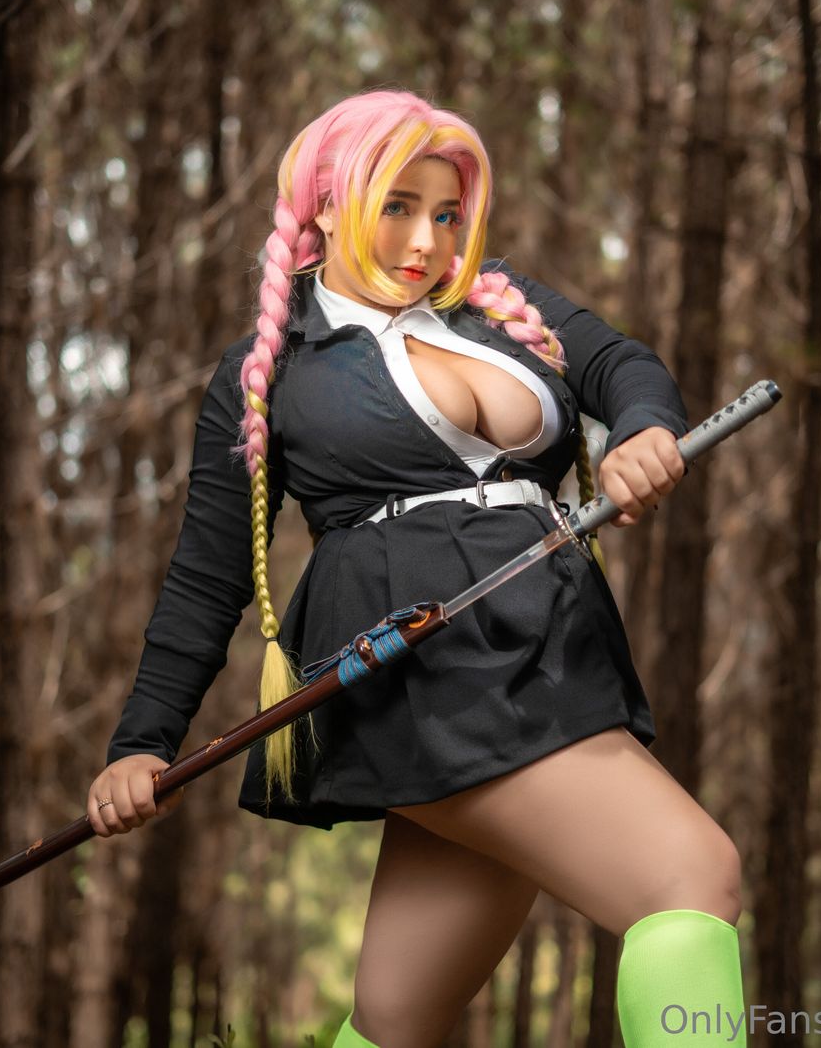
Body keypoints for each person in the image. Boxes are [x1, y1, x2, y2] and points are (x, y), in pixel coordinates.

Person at [86, 90, 746, 1048]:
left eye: (446, 213)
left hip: (550, 653)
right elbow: (207, 574)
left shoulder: (494, 304)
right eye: (396, 207)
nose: (427, 241)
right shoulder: (267, 370)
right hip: (423, 665)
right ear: (324, 206)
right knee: (691, 874)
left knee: (397, 1015)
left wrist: (644, 428)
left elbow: (620, 364)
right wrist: (142, 740)